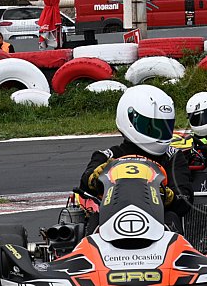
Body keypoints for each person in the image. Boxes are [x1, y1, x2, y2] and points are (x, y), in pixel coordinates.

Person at [80, 84, 193, 233]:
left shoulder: (172, 157)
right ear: (129, 119)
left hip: (158, 226)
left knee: (171, 218)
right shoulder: (106, 156)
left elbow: (185, 199)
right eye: (152, 127)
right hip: (112, 222)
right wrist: (95, 178)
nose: (160, 133)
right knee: (95, 220)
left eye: (164, 127)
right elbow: (84, 185)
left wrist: (165, 195)